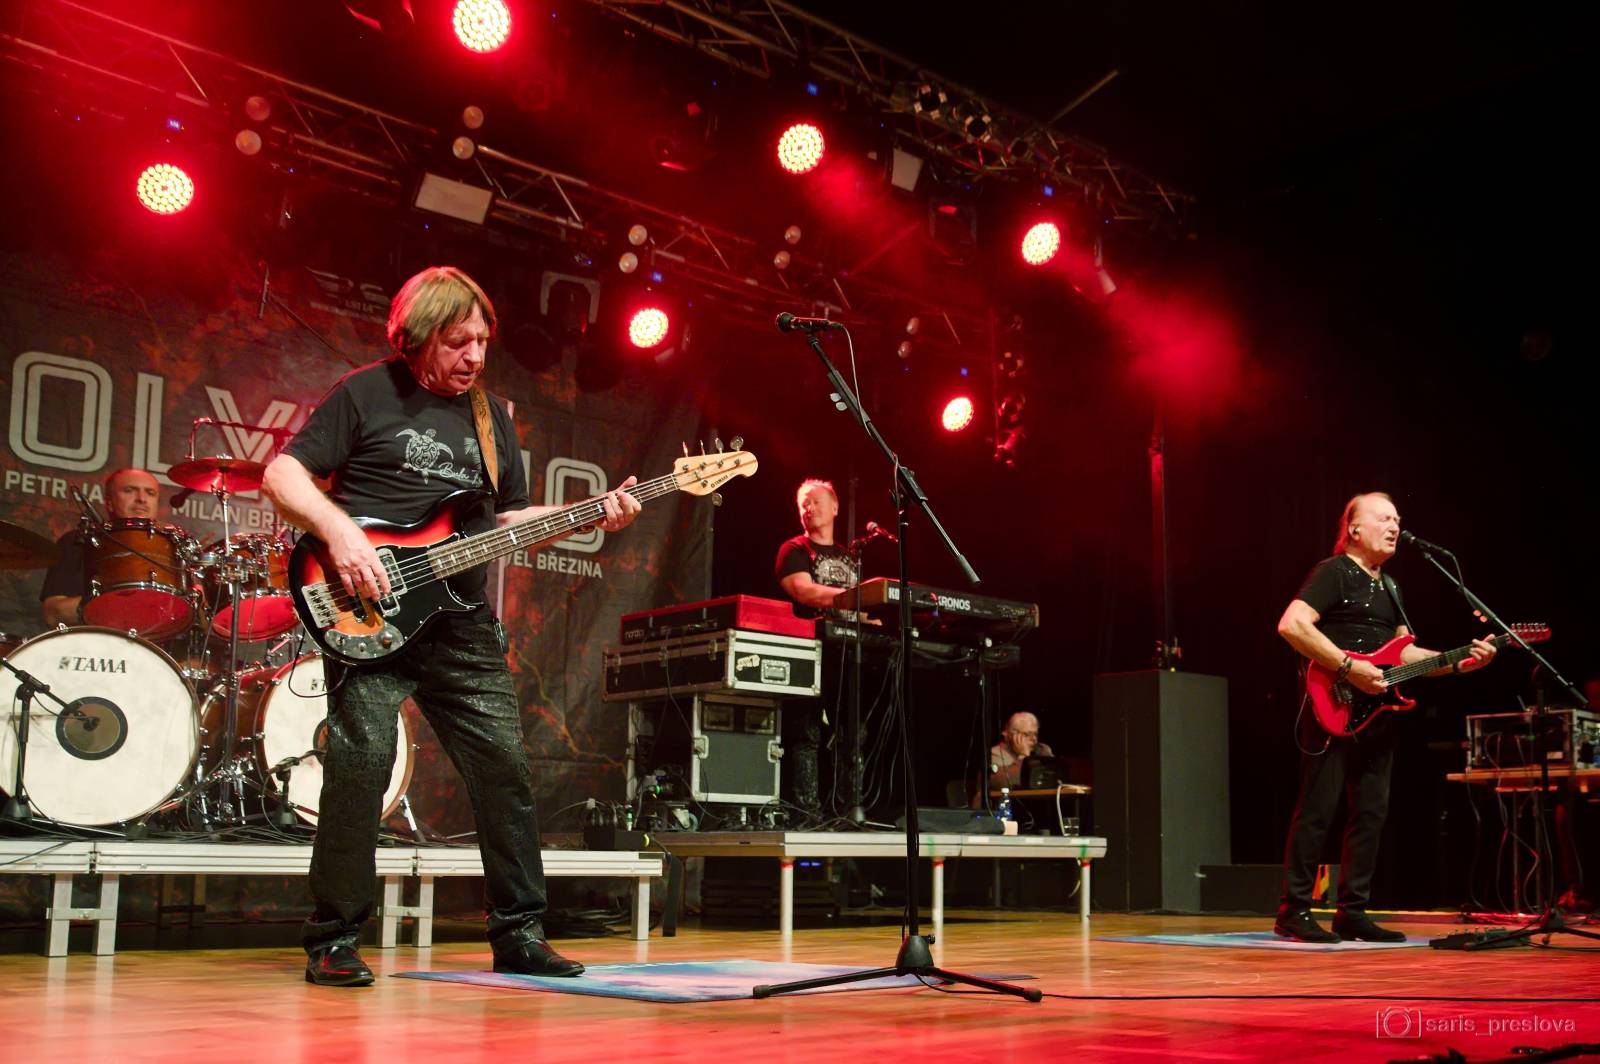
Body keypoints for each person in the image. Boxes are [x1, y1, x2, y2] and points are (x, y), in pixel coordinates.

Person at [262, 266, 640, 987]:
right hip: (366, 613)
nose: (472, 356)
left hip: (460, 621)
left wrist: (589, 512)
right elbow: (282, 475)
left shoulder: (491, 419)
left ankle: (520, 932)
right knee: (359, 768)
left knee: (504, 771)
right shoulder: (365, 393)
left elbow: (506, 523)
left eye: (482, 343)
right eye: (456, 341)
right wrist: (340, 536)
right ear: (413, 338)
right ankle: (334, 939)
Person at [1274, 492, 1495, 943]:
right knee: (1318, 809)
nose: (1395, 525)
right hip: (1332, 703)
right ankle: (1292, 911)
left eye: (1398, 519)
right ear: (1354, 529)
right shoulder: (1333, 572)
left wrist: (1457, 661)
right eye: (1384, 518)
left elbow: (1403, 653)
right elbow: (1292, 625)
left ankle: (1351, 911)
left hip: (1377, 714)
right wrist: (1347, 667)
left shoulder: (1392, 587)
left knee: (1371, 812)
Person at [774, 478, 861, 817]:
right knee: (806, 732)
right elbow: (804, 590)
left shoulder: (850, 557)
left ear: (835, 506)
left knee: (853, 734)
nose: (809, 509)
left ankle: (849, 810)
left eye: (816, 501)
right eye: (803, 504)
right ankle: (806, 812)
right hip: (809, 652)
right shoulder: (794, 550)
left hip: (849, 655)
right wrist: (857, 600)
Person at [39, 468, 165, 627]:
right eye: (129, 490)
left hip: (157, 648)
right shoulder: (79, 541)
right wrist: (121, 603)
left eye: (150, 493)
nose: (141, 499)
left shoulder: (170, 550)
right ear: (109, 503)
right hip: (93, 646)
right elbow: (54, 614)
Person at [987, 711, 1054, 792]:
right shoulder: (995, 753)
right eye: (1028, 734)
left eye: (1035, 734)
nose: (1034, 739)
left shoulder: (1042, 750)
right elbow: (1005, 783)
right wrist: (1024, 756)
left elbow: (1052, 778)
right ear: (1012, 735)